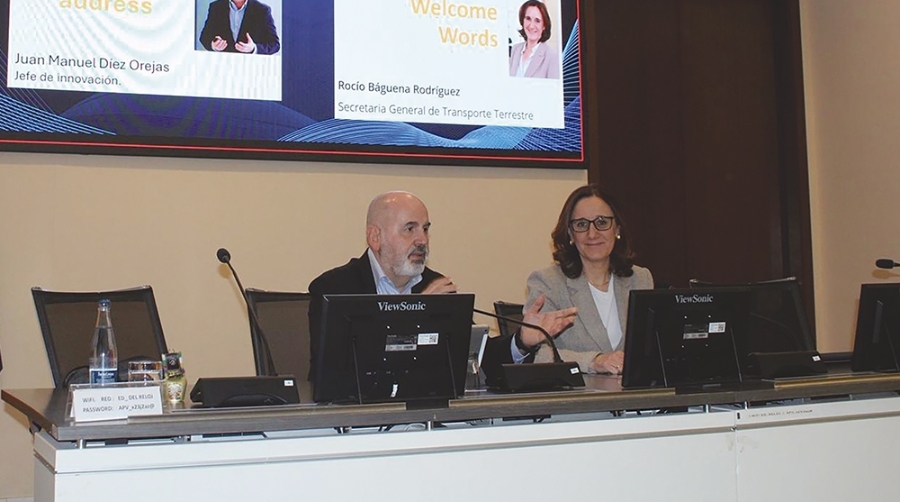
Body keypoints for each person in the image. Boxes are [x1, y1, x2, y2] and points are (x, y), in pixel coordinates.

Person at [307, 191, 576, 381]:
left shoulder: (435, 285)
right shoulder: (334, 289)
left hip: (429, 419)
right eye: (409, 229)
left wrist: (522, 341)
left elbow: (477, 359)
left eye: (425, 229)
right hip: (359, 424)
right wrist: (417, 311)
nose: (422, 240)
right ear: (375, 237)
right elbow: (336, 371)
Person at [524, 185, 654, 375]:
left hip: (635, 392)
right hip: (579, 392)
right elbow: (538, 355)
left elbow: (652, 348)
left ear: (617, 228)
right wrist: (594, 361)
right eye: (581, 225)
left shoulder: (640, 279)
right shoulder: (548, 283)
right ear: (570, 234)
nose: (592, 234)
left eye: (602, 222)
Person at [199, 0, 280, 55]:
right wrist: (214, 45)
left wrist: (253, 48)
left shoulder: (262, 10)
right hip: (222, 66)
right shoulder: (216, 7)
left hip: (251, 67)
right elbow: (204, 37)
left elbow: (274, 44)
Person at [508, 0, 560, 79]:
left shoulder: (551, 57)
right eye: (528, 18)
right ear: (522, 21)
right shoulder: (515, 50)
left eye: (537, 21)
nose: (531, 26)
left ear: (544, 26)